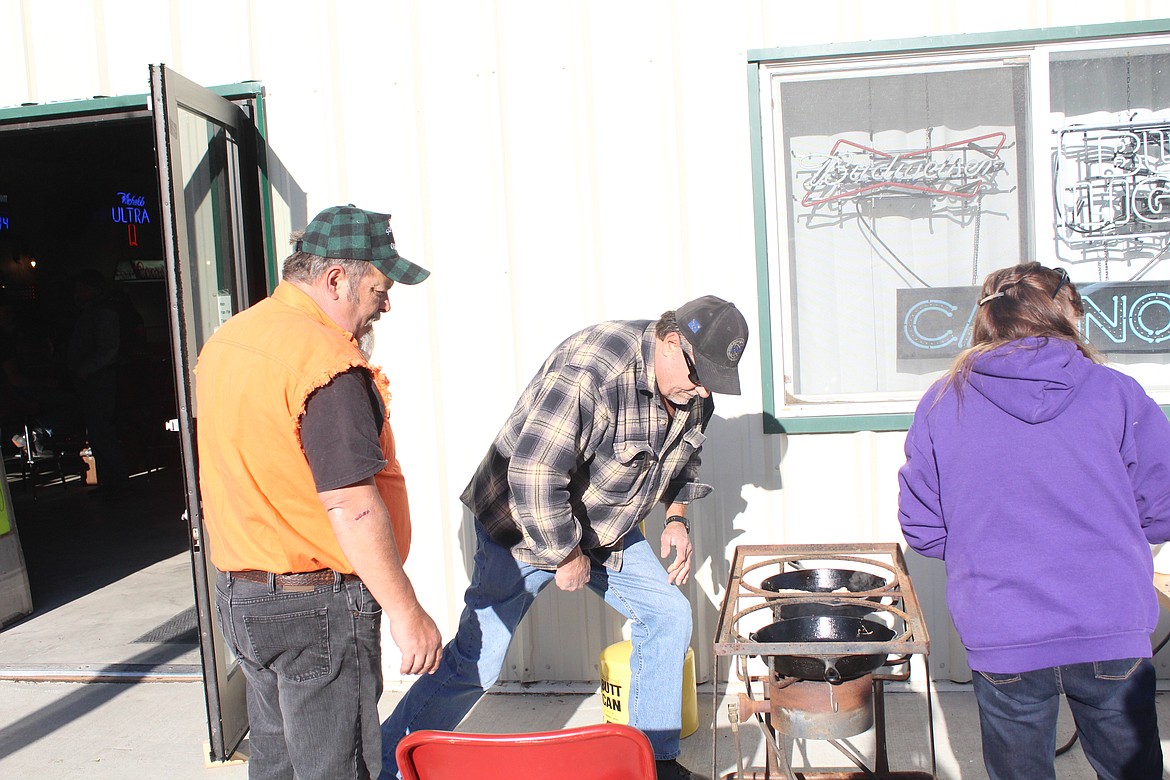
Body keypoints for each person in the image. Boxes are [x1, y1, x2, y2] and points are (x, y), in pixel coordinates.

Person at [380, 295, 749, 780]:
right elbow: (533, 472)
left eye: (711, 385)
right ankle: (385, 763)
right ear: (671, 341)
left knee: (667, 614)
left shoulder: (689, 389)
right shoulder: (594, 371)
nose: (703, 393)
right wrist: (566, 552)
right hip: (523, 524)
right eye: (699, 377)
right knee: (479, 660)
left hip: (603, 526)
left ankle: (651, 765)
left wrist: (676, 516)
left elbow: (680, 459)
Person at [195, 205, 443, 780]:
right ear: (336, 279)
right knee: (336, 769)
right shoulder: (325, 361)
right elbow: (353, 506)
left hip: (243, 596)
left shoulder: (232, 339)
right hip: (315, 610)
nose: (386, 303)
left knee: (278, 766)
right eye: (378, 289)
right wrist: (406, 612)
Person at [897, 262, 1170, 780]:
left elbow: (924, 529)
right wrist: (1115, 536)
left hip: (1002, 629)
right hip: (1110, 622)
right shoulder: (1115, 391)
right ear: (1062, 311)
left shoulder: (942, 400)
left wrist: (986, 545)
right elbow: (1162, 504)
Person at [66, 268, 130, 495]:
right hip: (92, 377)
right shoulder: (91, 311)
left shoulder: (103, 313)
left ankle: (118, 481)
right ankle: (110, 481)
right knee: (96, 431)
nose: (77, 292)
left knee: (101, 429)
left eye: (82, 287)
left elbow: (108, 349)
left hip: (99, 379)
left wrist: (85, 369)